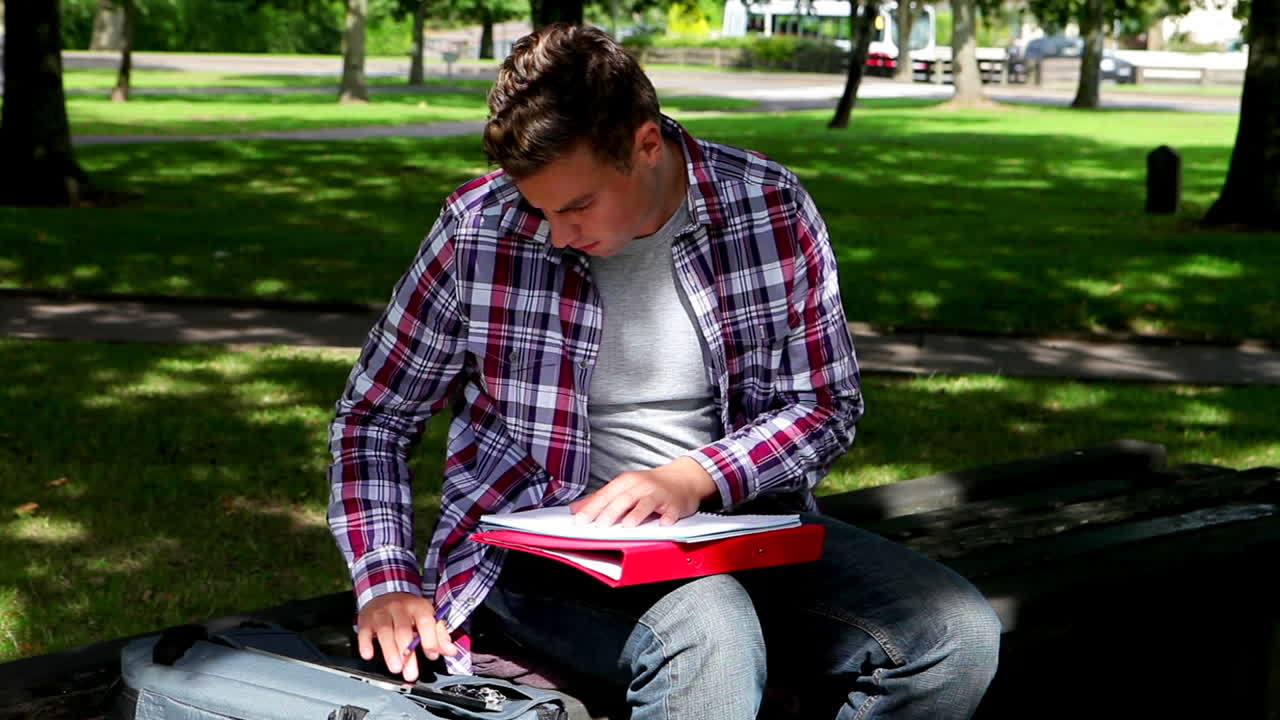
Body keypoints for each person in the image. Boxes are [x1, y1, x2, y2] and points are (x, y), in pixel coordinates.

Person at [327, 23, 1000, 719]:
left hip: (744, 533)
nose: (556, 233)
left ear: (646, 144)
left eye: (578, 205)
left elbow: (824, 406)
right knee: (708, 632)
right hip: (536, 559)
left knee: (952, 634)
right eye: (539, 207)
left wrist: (694, 478)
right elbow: (374, 417)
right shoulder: (478, 229)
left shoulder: (769, 209)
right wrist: (385, 579)